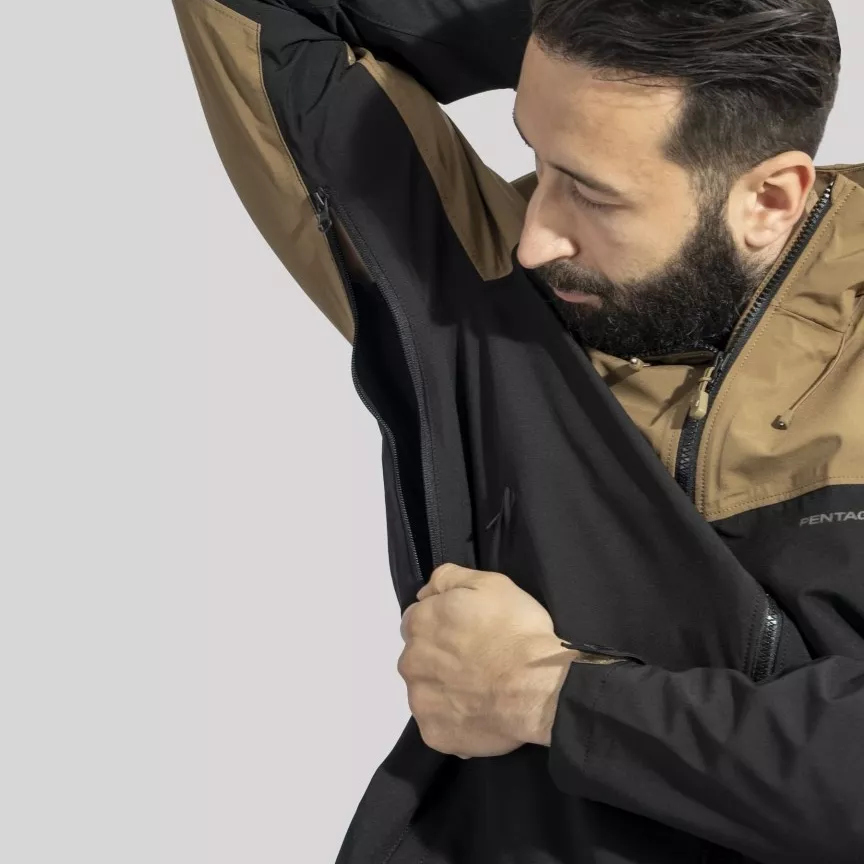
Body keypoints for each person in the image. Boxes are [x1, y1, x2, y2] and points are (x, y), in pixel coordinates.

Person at [171, 0, 863, 861]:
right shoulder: (497, 283)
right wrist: (588, 23)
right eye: (537, 160)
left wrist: (542, 697)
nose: (533, 238)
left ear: (768, 198)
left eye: (592, 191)